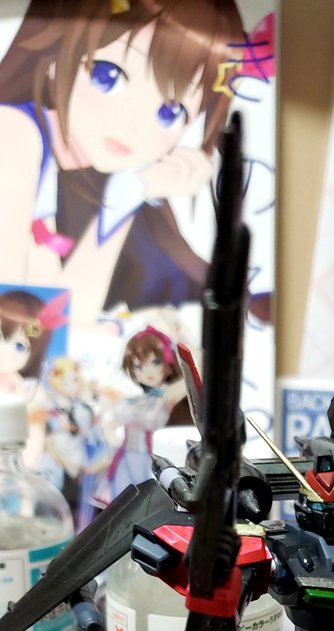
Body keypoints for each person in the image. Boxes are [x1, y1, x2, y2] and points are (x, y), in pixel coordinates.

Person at [0, 0, 248, 324]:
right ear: (54, 58)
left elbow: (57, 318)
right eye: (108, 76)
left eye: (170, 113)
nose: (133, 125)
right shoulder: (14, 133)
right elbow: (19, 325)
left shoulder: (61, 166)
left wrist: (129, 193)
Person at [104, 325, 185, 500]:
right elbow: (111, 426)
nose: (147, 372)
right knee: (123, 504)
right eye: (138, 366)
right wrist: (111, 441)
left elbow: (195, 374)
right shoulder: (135, 401)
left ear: (169, 363)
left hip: (152, 461)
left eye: (155, 362)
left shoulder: (168, 395)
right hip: (125, 460)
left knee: (147, 503)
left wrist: (180, 336)